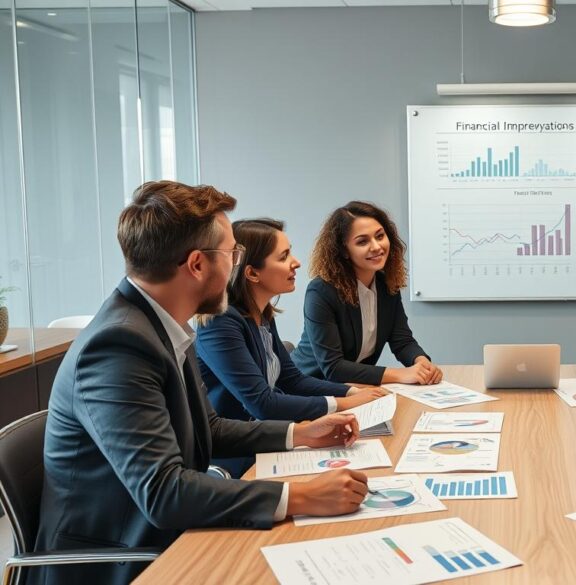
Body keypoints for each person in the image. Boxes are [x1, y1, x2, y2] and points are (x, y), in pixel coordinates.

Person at [34, 182, 371, 585]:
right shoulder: (118, 345)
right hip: (123, 558)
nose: (235, 265)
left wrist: (301, 433)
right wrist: (301, 496)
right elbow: (163, 492)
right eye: (232, 253)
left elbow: (207, 429)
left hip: (167, 534)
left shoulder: (160, 324)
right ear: (197, 264)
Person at [196, 218, 389, 477]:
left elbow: (292, 379)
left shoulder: (262, 314)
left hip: (268, 442)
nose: (296, 262)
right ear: (252, 273)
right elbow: (261, 404)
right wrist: (341, 404)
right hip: (237, 459)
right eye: (284, 256)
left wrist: (353, 391)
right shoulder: (219, 322)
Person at [291, 202, 442, 385]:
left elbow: (402, 341)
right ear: (344, 251)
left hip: (355, 387)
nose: (377, 247)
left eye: (380, 236)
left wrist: (421, 362)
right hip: (309, 388)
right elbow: (333, 367)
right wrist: (400, 374)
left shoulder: (386, 285)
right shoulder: (321, 291)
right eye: (362, 241)